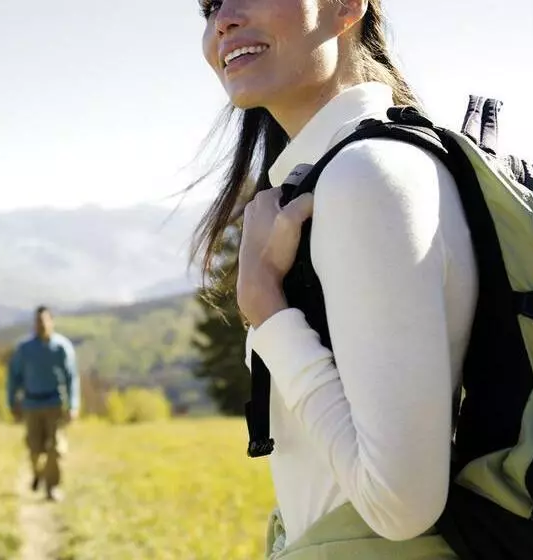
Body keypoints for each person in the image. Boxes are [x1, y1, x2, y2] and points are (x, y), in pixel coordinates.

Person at [191, 1, 479, 558]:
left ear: (347, 6)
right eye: (209, 5)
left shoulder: (366, 176)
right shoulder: (363, 166)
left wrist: (266, 308)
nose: (222, 19)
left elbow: (400, 506)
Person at [7, 305, 80, 502]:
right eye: (38, 322)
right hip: (31, 404)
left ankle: (52, 487)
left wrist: (73, 404)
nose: (41, 325)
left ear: (51, 322)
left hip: (55, 403)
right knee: (34, 448)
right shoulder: (25, 349)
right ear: (34, 324)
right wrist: (12, 402)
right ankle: (38, 473)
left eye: (45, 321)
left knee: (55, 448)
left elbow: (72, 378)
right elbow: (14, 377)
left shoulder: (62, 348)